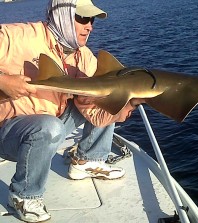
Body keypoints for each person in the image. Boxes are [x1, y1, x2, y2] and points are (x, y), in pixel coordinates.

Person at [0, 0, 143, 222]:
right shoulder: (16, 37)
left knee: (107, 92)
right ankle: (23, 195)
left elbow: (93, 111)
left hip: (50, 129)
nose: (90, 26)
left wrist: (126, 105)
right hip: (7, 133)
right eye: (83, 18)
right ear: (62, 16)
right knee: (49, 126)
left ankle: (88, 160)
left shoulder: (83, 57)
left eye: (92, 20)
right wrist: (3, 81)